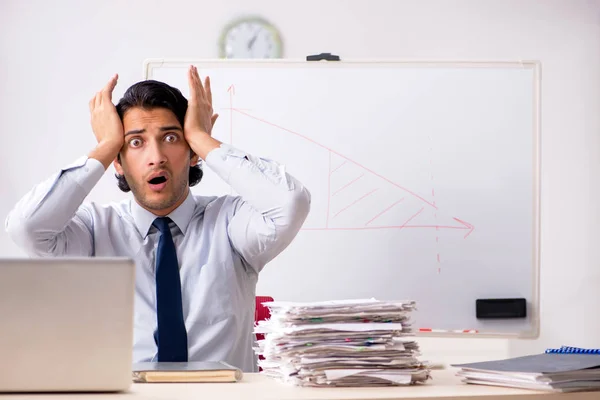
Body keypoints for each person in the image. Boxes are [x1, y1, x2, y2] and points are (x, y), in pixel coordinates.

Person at [5, 65, 311, 372]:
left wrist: (201, 138)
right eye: (135, 142)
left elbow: (290, 203)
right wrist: (105, 147)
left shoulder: (230, 223)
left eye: (171, 138)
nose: (156, 157)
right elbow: (27, 229)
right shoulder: (94, 231)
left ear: (192, 154)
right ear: (119, 162)